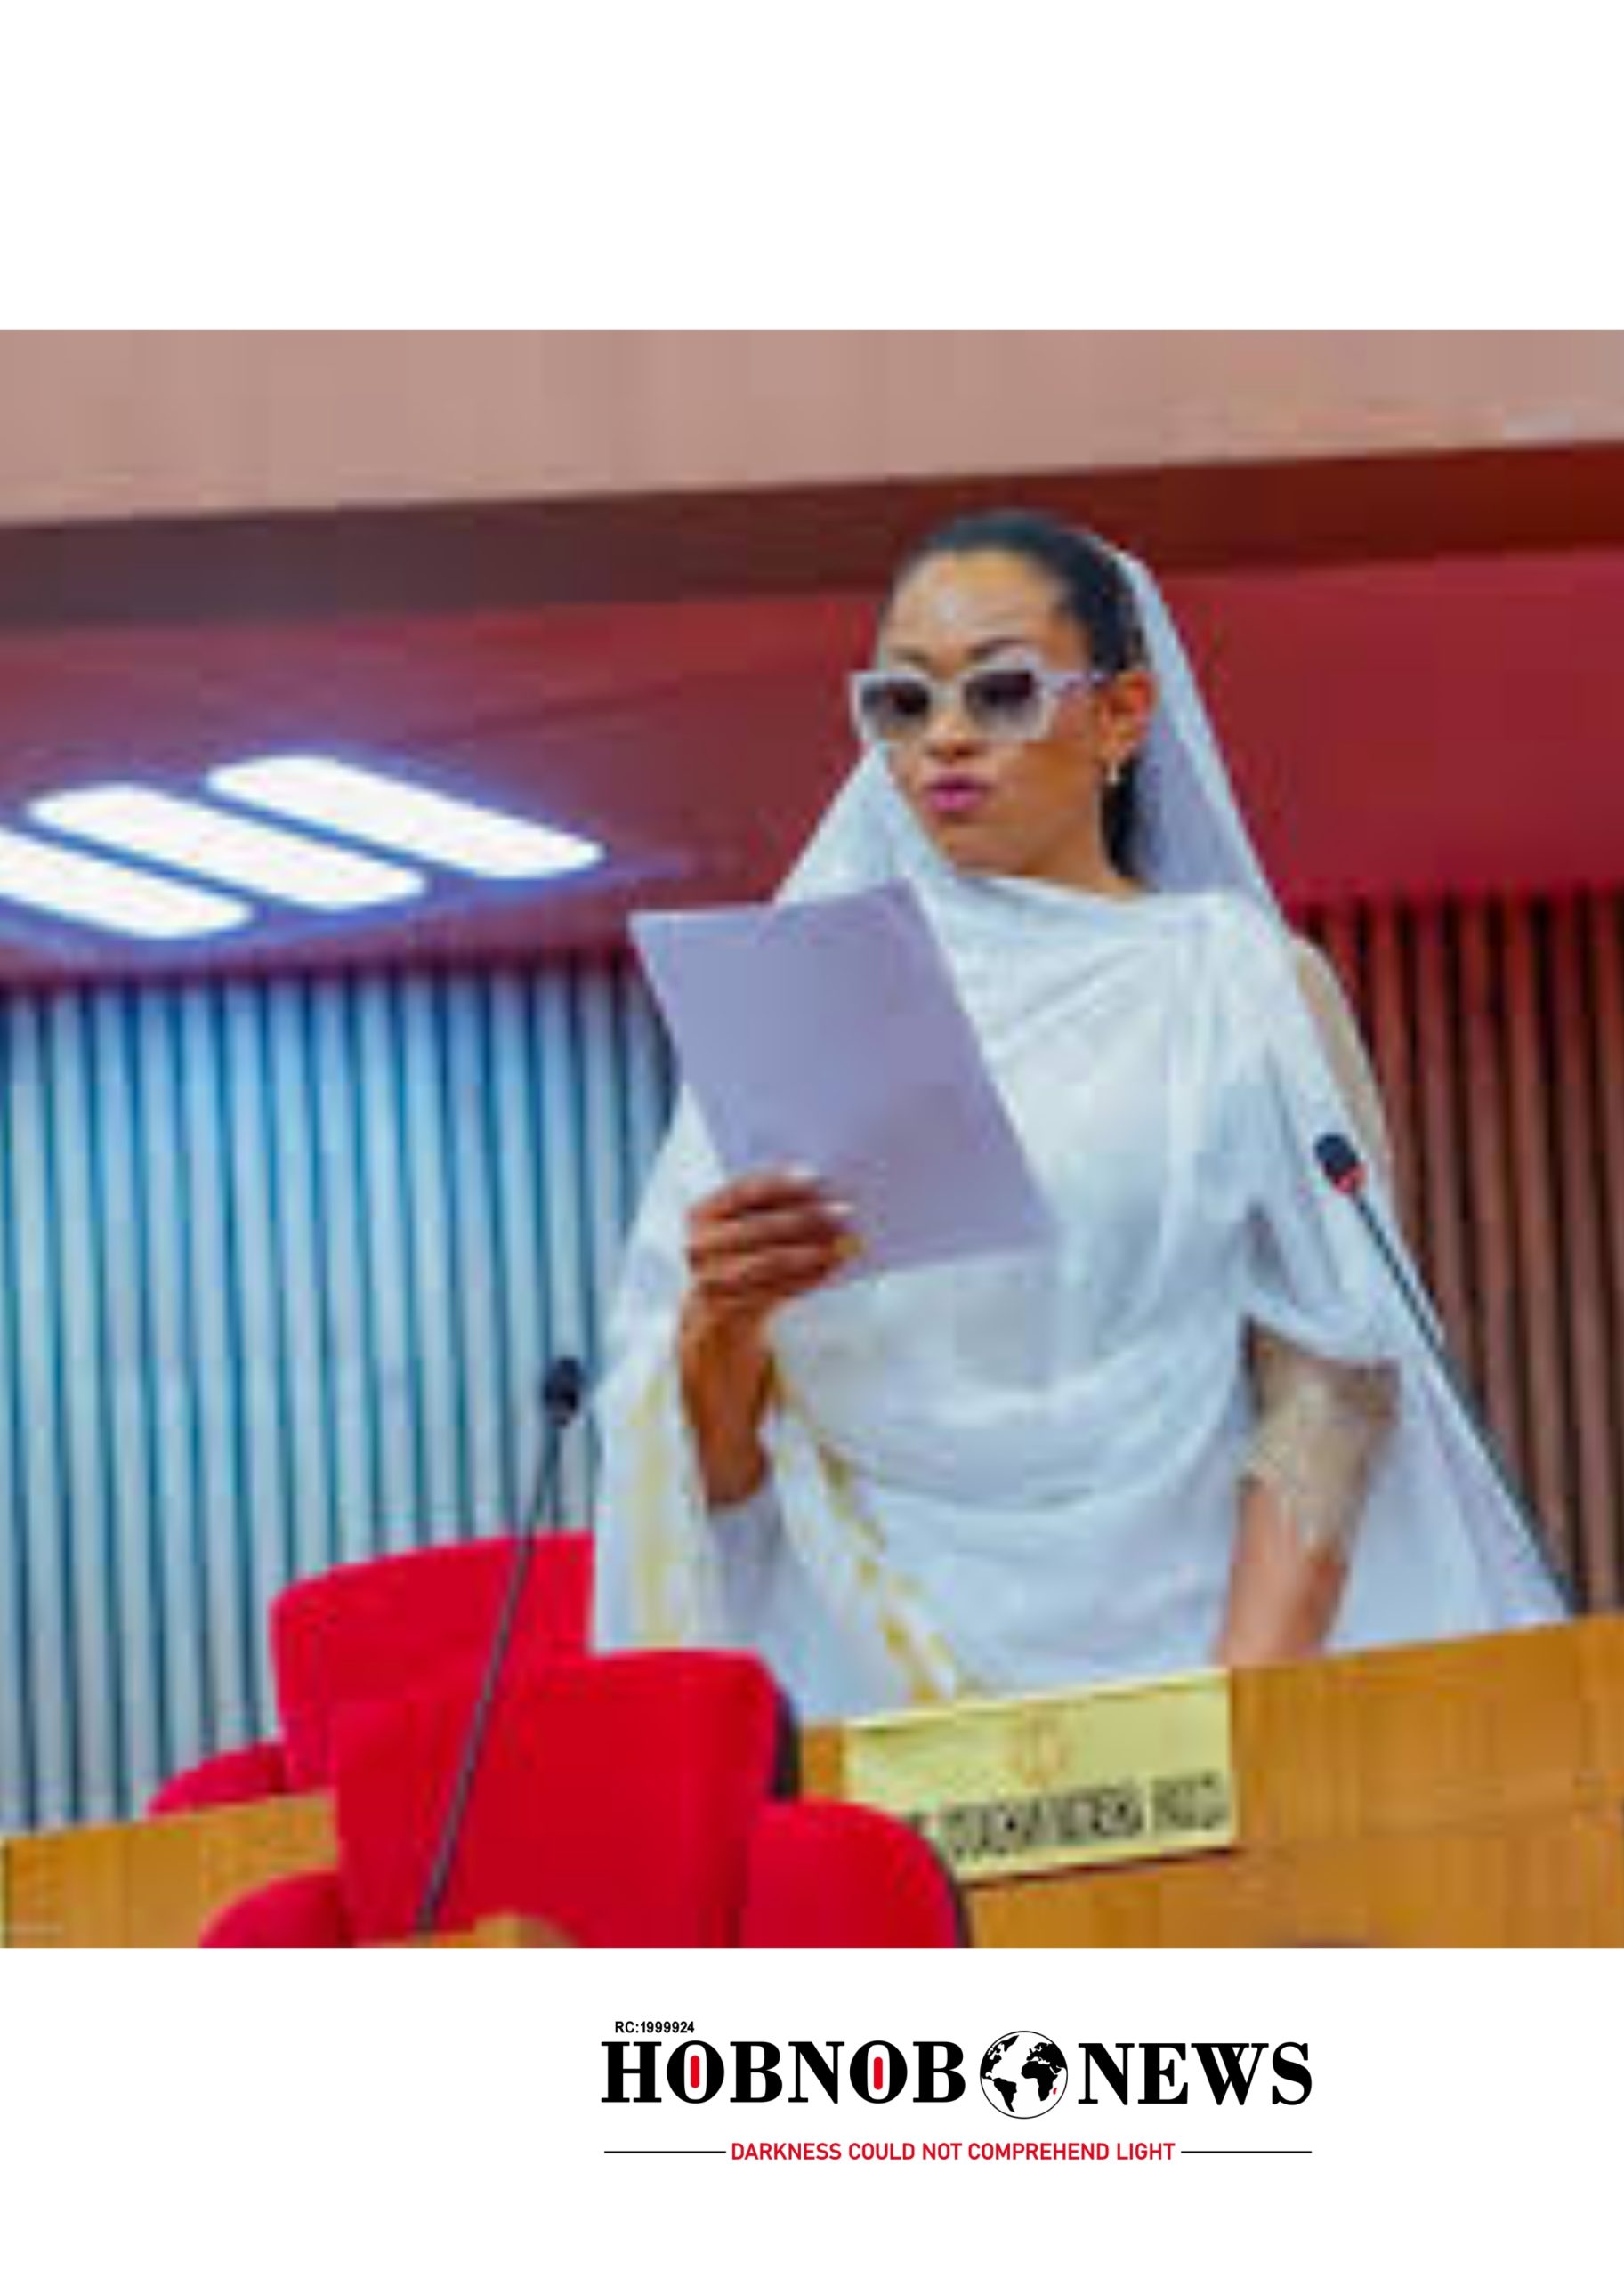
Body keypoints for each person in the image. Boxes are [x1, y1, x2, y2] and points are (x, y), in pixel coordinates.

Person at [594, 510, 1565, 1720]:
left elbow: (1330, 1376)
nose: (947, 737)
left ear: (1121, 714)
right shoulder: (806, 1007)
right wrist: (721, 1321)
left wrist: (1233, 1716)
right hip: (876, 1677)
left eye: (1000, 691)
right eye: (903, 703)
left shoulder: (1233, 983)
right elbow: (722, 1482)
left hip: (1202, 1662)